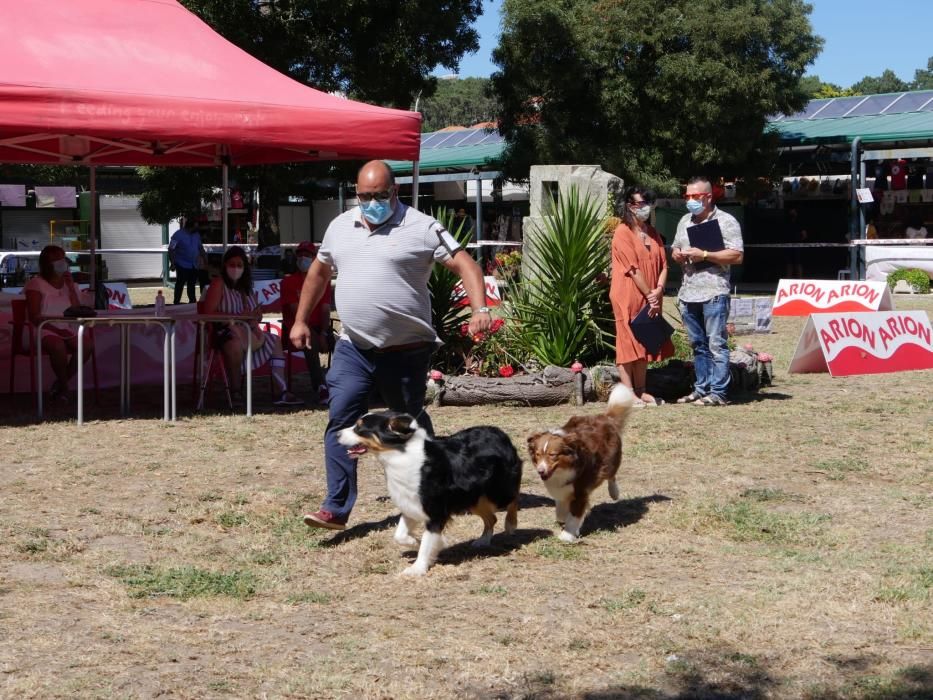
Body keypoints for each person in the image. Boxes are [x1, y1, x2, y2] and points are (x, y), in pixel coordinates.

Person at [291, 160, 491, 531]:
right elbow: (318, 273)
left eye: (379, 196)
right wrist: (301, 319)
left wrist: (480, 308)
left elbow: (467, 265)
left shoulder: (423, 227)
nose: (370, 203)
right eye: (364, 196)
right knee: (341, 417)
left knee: (408, 421)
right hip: (354, 346)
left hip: (406, 349)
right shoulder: (340, 226)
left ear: (394, 191)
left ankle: (437, 482)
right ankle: (335, 508)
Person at [671, 176, 744, 407]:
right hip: (688, 292)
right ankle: (701, 388)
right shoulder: (684, 220)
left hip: (713, 292)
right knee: (697, 345)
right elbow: (675, 247)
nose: (691, 200)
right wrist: (677, 254)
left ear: (709, 197)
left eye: (696, 196)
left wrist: (704, 255)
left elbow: (737, 255)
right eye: (688, 196)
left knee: (716, 344)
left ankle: (719, 393)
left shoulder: (726, 221)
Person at [201, 246, 303, 407]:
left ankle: (280, 391)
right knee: (234, 345)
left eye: (239, 265)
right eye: (232, 264)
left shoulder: (246, 288)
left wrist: (256, 315)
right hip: (223, 333)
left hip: (249, 332)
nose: (235, 268)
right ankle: (235, 391)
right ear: (225, 265)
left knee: (275, 340)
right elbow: (208, 312)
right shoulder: (218, 284)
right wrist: (236, 318)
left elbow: (256, 313)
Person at [608, 186, 672, 406]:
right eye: (639, 204)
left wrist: (659, 290)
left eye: (647, 203)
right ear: (629, 206)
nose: (644, 208)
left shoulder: (653, 233)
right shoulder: (622, 233)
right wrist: (650, 295)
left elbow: (664, 265)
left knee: (645, 341)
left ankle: (642, 390)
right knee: (628, 342)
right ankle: (628, 393)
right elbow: (633, 270)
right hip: (628, 294)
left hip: (652, 295)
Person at [23, 245, 94, 401]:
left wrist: (70, 287)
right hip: (43, 328)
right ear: (47, 264)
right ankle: (65, 388)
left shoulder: (71, 284)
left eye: (62, 258)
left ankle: (61, 383)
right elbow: (34, 316)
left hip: (66, 327)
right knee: (57, 345)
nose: (61, 262)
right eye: (56, 259)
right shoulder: (36, 284)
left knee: (87, 345)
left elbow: (76, 309)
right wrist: (55, 330)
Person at [280, 240, 332, 403]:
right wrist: (316, 334)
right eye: (300, 255)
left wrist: (324, 333)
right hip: (296, 329)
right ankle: (320, 386)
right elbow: (297, 314)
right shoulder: (288, 282)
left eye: (307, 255)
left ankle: (344, 384)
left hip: (319, 328)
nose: (303, 258)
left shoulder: (323, 281)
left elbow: (325, 310)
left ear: (315, 257)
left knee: (346, 345)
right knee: (310, 342)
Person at [168, 215, 205, 304]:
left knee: (191, 285)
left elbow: (200, 248)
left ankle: (192, 303)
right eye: (195, 227)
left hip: (194, 264)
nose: (197, 229)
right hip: (181, 264)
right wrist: (172, 263)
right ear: (190, 226)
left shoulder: (196, 235)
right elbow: (171, 249)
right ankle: (176, 303)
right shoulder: (178, 234)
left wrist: (205, 259)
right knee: (180, 284)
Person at [784, 207, 807, 278]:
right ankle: (788, 280)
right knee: (789, 264)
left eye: (793, 211)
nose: (792, 212)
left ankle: (800, 280)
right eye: (791, 211)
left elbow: (804, 235)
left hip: (797, 246)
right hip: (788, 245)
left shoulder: (800, 222)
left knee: (798, 263)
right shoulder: (787, 222)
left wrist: (799, 241)